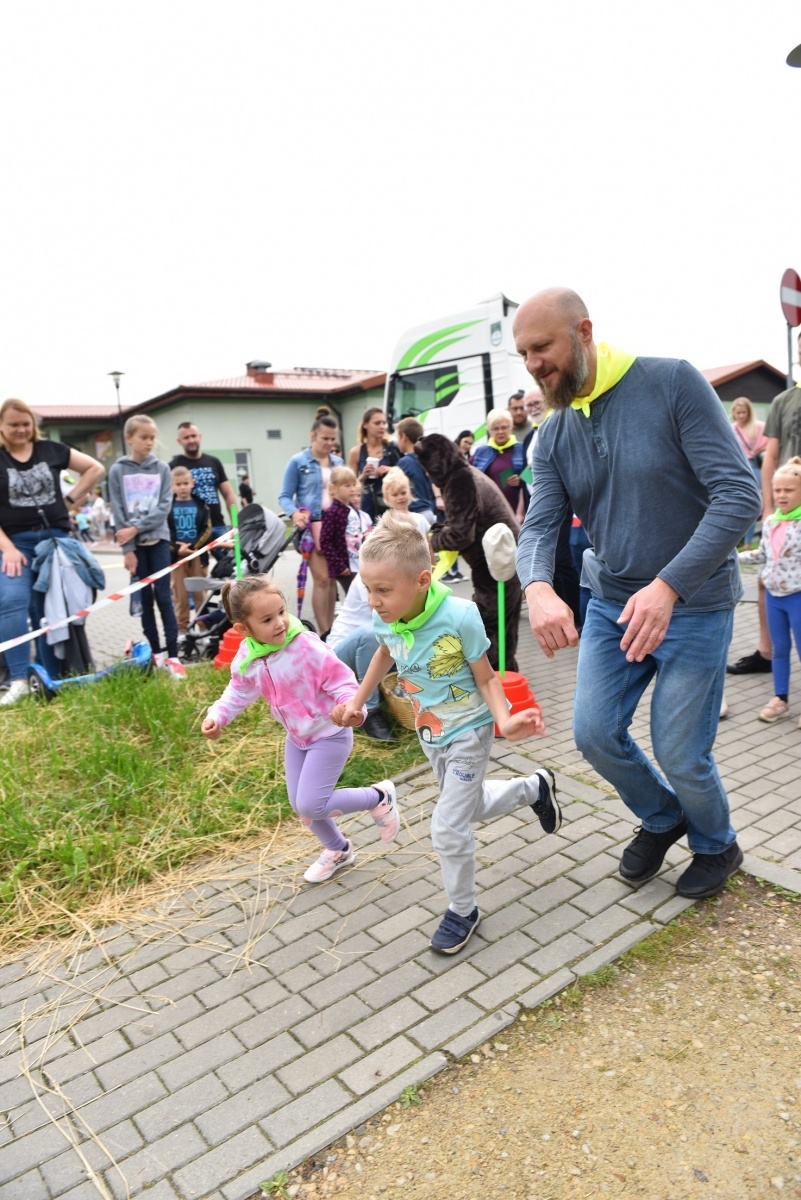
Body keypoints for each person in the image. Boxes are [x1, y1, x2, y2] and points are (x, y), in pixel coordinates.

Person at [514, 286, 761, 900]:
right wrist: (539, 586)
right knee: (594, 734)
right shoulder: (553, 434)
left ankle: (716, 844)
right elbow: (540, 525)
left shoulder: (672, 382)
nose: (533, 364)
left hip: (696, 605)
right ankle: (663, 817)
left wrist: (669, 585)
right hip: (610, 605)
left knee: (681, 752)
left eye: (541, 347)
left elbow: (739, 495)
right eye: (522, 353)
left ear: (584, 331)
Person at [331, 512, 558, 954]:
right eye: (368, 589)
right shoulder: (388, 616)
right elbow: (384, 650)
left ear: (420, 580)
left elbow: (488, 678)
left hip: (470, 731)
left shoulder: (460, 615)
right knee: (468, 809)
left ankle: (463, 910)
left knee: (447, 827)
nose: (373, 602)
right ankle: (535, 788)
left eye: (383, 590)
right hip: (429, 732)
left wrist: (505, 719)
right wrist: (358, 701)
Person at [201, 575, 401, 882]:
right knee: (302, 806)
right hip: (297, 738)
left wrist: (351, 708)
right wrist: (218, 715)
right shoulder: (248, 657)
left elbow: (343, 682)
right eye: (267, 619)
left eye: (281, 611)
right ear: (244, 629)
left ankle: (378, 798)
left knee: (311, 802)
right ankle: (338, 849)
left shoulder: (305, 646)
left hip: (329, 735)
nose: (280, 622)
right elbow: (238, 691)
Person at [0, 399, 105, 706]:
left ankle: (54, 675)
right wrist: (6, 548)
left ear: (33, 425)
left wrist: (69, 500)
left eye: (25, 424)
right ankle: (18, 679)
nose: (20, 430)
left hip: (55, 541)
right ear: (2, 427)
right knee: (11, 602)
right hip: (15, 545)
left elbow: (94, 467)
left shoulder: (51, 450)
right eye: (13, 424)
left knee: (51, 611)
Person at [415, 433, 523, 672]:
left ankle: (493, 688)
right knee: (504, 629)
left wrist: (431, 543)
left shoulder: (459, 480)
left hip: (495, 567)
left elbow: (462, 534)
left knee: (487, 629)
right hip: (504, 561)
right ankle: (506, 682)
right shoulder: (466, 472)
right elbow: (464, 522)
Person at [728, 355, 801, 676]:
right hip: (787, 505)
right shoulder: (784, 400)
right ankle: (767, 653)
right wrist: (769, 507)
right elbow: (771, 454)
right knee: (765, 577)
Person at [109, 414, 179, 661]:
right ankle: (156, 654)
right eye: (143, 437)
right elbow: (118, 510)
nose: (149, 442)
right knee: (145, 599)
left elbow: (163, 507)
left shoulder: (161, 468)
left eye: (152, 438)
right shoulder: (117, 470)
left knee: (163, 596)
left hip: (158, 541)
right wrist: (127, 548)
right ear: (129, 438)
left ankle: (174, 655)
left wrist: (136, 528)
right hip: (135, 547)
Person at [738, 457, 801, 725]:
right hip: (774, 598)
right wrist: (731, 557)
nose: (782, 495)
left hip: (798, 597)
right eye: (777, 490)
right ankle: (780, 699)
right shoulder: (773, 522)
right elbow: (763, 554)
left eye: (789, 490)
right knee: (779, 650)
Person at [279, 410, 344, 637]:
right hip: (312, 525)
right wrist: (295, 514)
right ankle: (325, 631)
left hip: (336, 524)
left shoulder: (338, 462)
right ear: (312, 436)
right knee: (322, 579)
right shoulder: (298, 462)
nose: (329, 443)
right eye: (324, 438)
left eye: (332, 438)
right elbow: (285, 496)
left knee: (332, 578)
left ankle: (333, 630)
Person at [327, 572, 396, 742]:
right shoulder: (369, 576)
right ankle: (370, 710)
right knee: (373, 634)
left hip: (376, 652)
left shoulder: (403, 573)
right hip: (340, 657)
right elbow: (386, 621)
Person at [169, 423, 237, 547]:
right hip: (192, 531)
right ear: (179, 441)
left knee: (231, 563)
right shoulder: (174, 466)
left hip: (218, 526)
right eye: (186, 437)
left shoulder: (214, 462)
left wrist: (236, 523)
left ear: (200, 437)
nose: (191, 440)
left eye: (194, 436)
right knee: (199, 565)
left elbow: (228, 494)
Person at [168, 465, 212, 642]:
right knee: (180, 596)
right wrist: (176, 549)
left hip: (196, 556)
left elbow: (207, 529)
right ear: (172, 486)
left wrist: (194, 548)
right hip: (176, 558)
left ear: (192, 483)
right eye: (178, 484)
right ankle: (182, 630)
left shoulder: (201, 504)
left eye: (186, 483)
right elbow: (165, 531)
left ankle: (202, 629)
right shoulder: (167, 506)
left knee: (200, 594)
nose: (183, 487)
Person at [319, 465, 372, 594]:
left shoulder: (352, 509)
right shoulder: (333, 512)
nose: (352, 489)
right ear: (333, 488)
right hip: (346, 567)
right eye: (347, 486)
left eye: (354, 484)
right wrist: (339, 566)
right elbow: (325, 541)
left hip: (359, 563)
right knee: (357, 598)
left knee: (364, 597)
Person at [471, 407, 525, 519]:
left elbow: (533, 479)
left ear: (511, 428)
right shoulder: (480, 453)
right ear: (489, 430)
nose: (500, 432)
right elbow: (465, 475)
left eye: (504, 427)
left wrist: (521, 480)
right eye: (495, 428)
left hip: (518, 513)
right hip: (489, 513)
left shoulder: (522, 449)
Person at [346, 407, 400, 520]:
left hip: (390, 503)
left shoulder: (392, 448)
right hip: (367, 505)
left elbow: (406, 473)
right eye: (377, 423)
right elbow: (350, 485)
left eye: (384, 423)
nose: (382, 426)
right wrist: (363, 475)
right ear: (365, 425)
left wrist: (391, 469)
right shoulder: (356, 452)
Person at [730, 397, 767, 549]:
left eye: (744, 412)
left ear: (749, 412)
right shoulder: (731, 428)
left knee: (751, 502)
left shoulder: (758, 427)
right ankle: (734, 542)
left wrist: (757, 450)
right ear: (733, 413)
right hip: (735, 467)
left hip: (753, 465)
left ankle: (747, 543)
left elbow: (768, 445)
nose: (741, 416)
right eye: (738, 413)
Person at [393, 417, 437, 526]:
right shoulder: (427, 459)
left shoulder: (404, 462)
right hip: (429, 512)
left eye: (397, 437)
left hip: (415, 514)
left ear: (403, 437)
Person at [381, 467, 432, 540]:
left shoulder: (420, 519)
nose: (400, 497)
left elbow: (429, 547)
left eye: (403, 493)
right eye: (395, 495)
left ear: (410, 492)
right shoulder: (386, 523)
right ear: (387, 498)